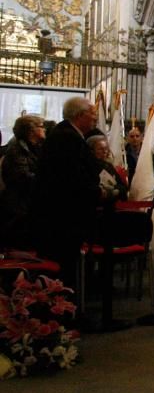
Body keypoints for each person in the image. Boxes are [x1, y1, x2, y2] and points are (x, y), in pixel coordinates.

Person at [32, 97, 106, 289]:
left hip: (62, 215)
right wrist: (98, 192)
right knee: (63, 268)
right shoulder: (67, 138)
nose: (95, 118)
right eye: (92, 113)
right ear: (80, 115)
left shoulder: (66, 134)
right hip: (63, 217)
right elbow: (73, 178)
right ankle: (64, 310)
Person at [0, 114, 46, 250]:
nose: (44, 130)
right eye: (41, 127)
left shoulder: (34, 146)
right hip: (18, 206)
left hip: (25, 203)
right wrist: (45, 180)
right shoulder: (17, 148)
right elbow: (22, 176)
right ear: (31, 131)